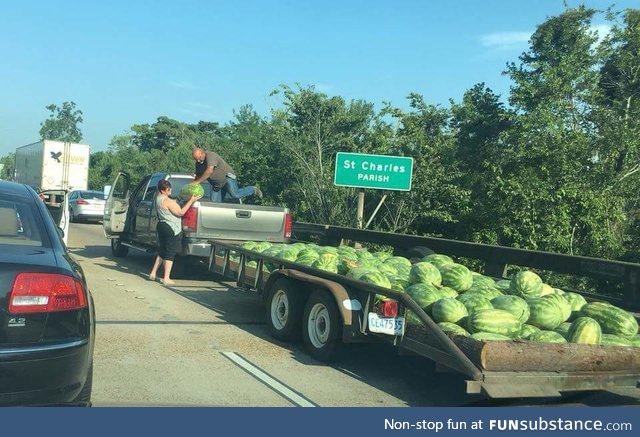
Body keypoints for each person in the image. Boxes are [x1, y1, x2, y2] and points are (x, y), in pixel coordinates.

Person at [149, 179, 201, 285]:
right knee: (170, 252)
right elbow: (181, 212)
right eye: (168, 189)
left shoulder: (157, 198)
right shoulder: (167, 201)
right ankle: (166, 277)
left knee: (162, 250)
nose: (170, 190)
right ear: (163, 190)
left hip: (161, 225)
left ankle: (153, 273)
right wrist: (191, 201)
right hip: (170, 227)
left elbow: (173, 202)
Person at [191, 147, 262, 202]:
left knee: (235, 194)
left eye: (199, 158)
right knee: (214, 205)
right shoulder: (198, 163)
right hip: (217, 185)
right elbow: (198, 176)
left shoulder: (210, 155)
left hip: (227, 177)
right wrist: (193, 186)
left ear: (202, 152)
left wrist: (197, 182)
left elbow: (209, 171)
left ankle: (253, 190)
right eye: (196, 159)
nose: (198, 161)